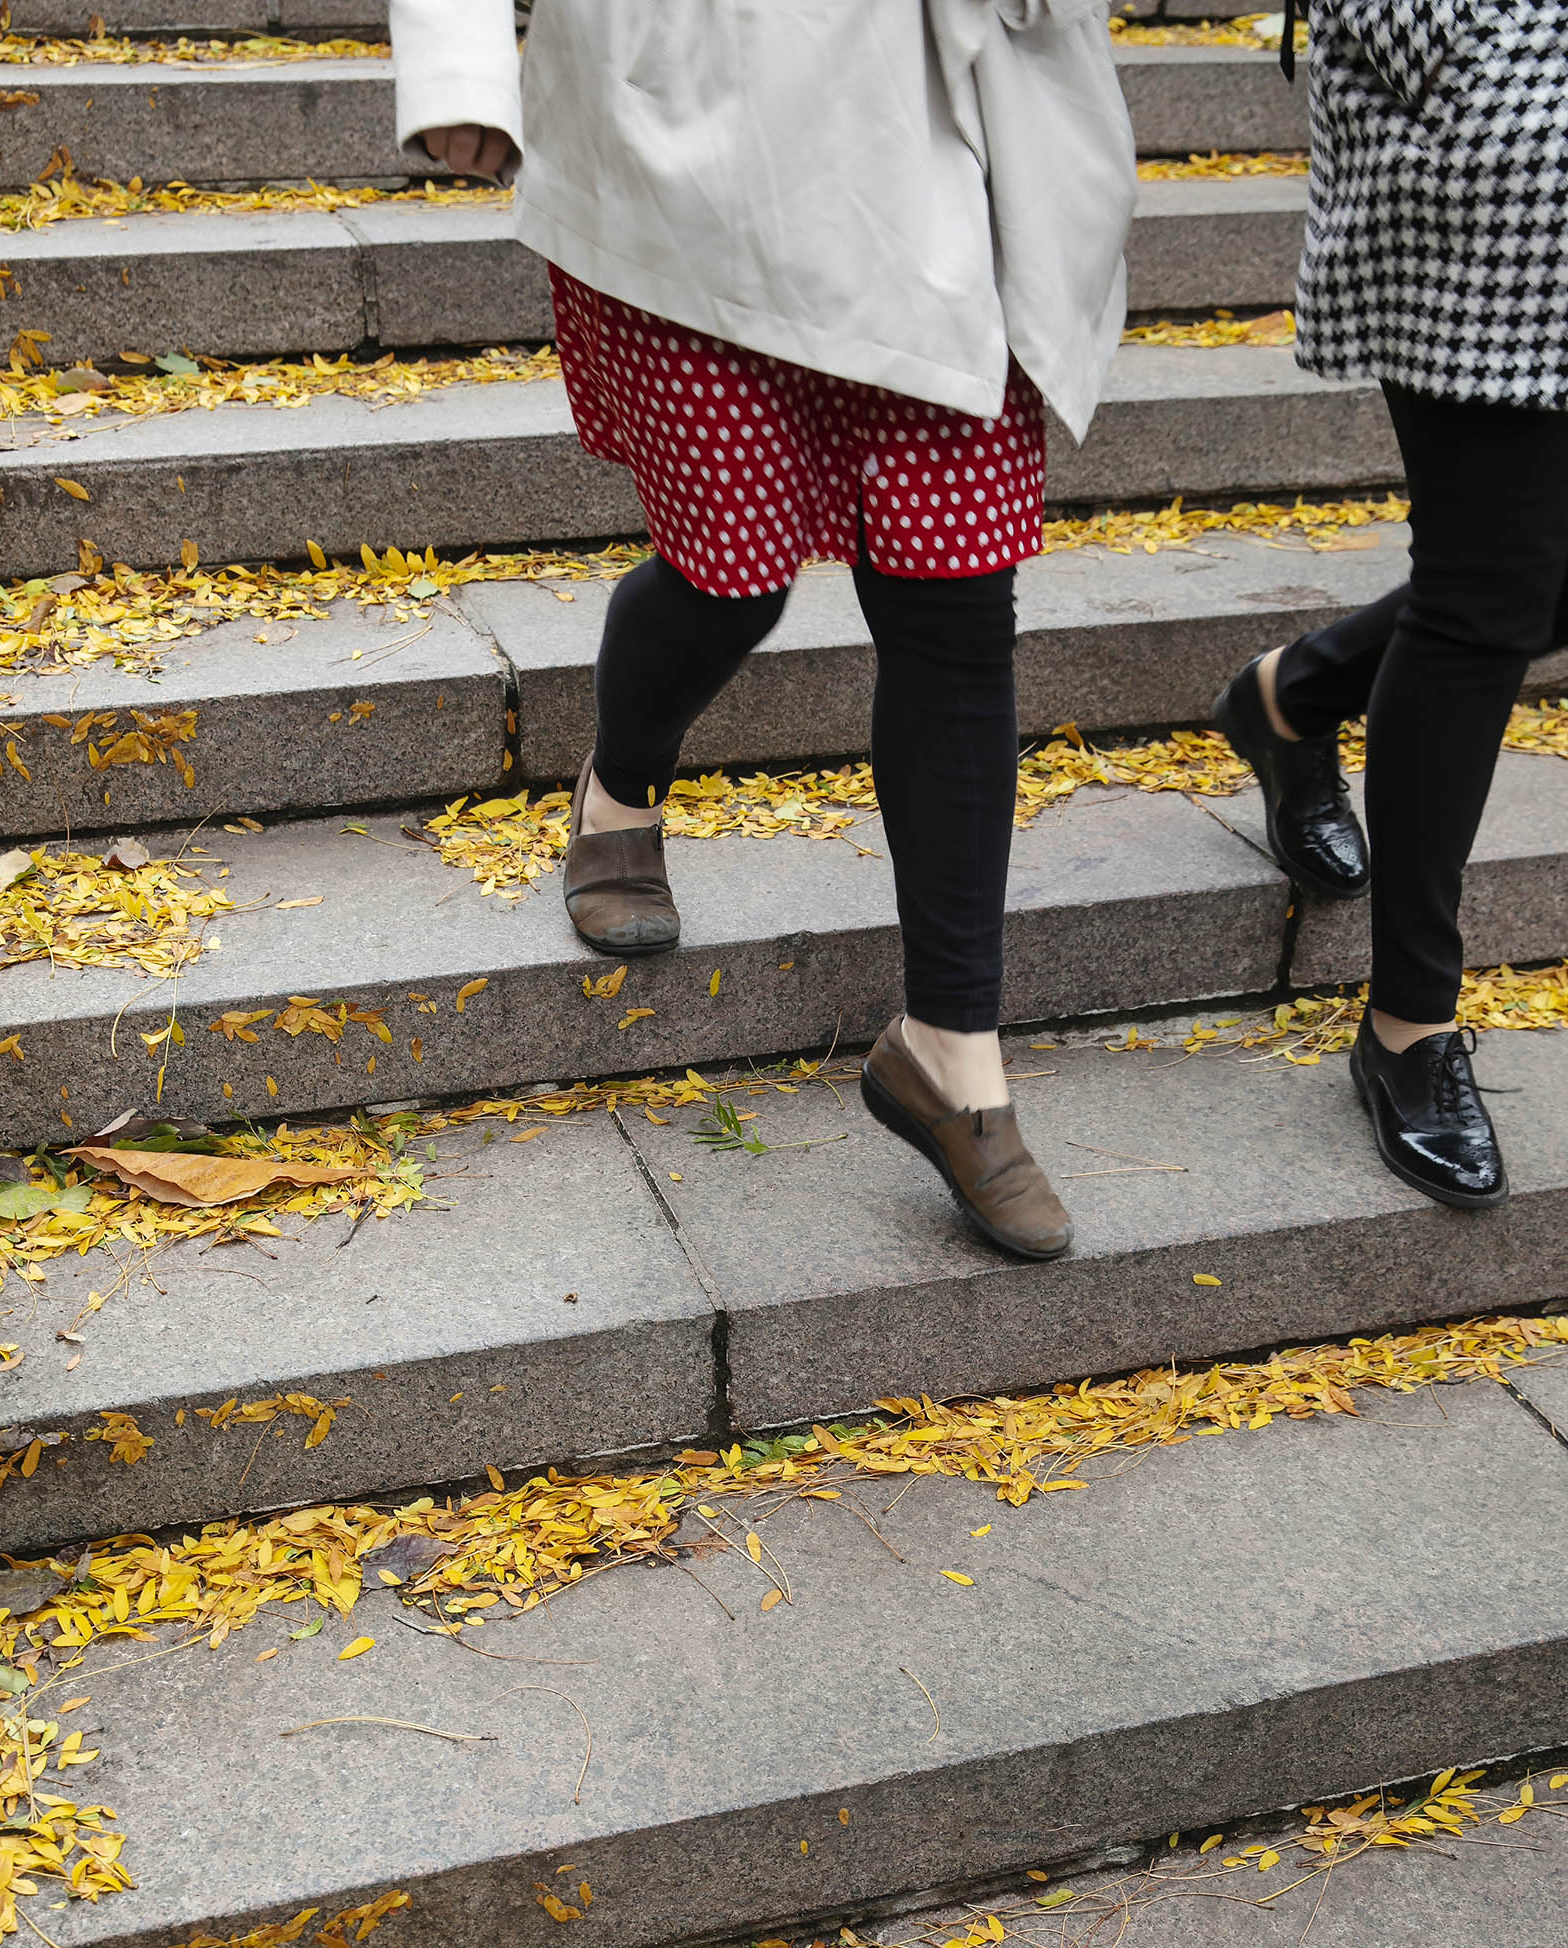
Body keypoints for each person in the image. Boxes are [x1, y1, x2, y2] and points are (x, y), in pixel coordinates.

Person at [389, 0, 1136, 1260]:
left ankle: (952, 1052)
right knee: (730, 577)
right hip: (686, 143)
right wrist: (462, 60)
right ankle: (618, 789)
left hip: (938, 151)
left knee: (956, 609)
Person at [1212, 0, 1568, 1210]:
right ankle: (1408, 1022)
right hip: (1503, 167)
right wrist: (1467, 52)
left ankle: (1288, 695)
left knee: (1513, 584)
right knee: (1482, 594)